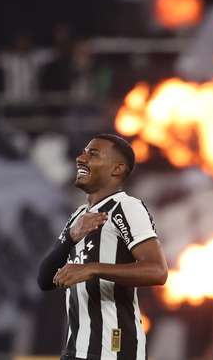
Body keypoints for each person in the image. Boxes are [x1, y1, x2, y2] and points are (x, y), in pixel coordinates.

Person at [37, 134, 168, 360]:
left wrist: (93, 268)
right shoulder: (78, 215)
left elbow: (157, 270)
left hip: (113, 349)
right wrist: (69, 238)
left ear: (116, 169)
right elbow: (45, 280)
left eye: (92, 154)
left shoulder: (126, 208)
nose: (81, 158)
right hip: (76, 349)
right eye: (83, 152)